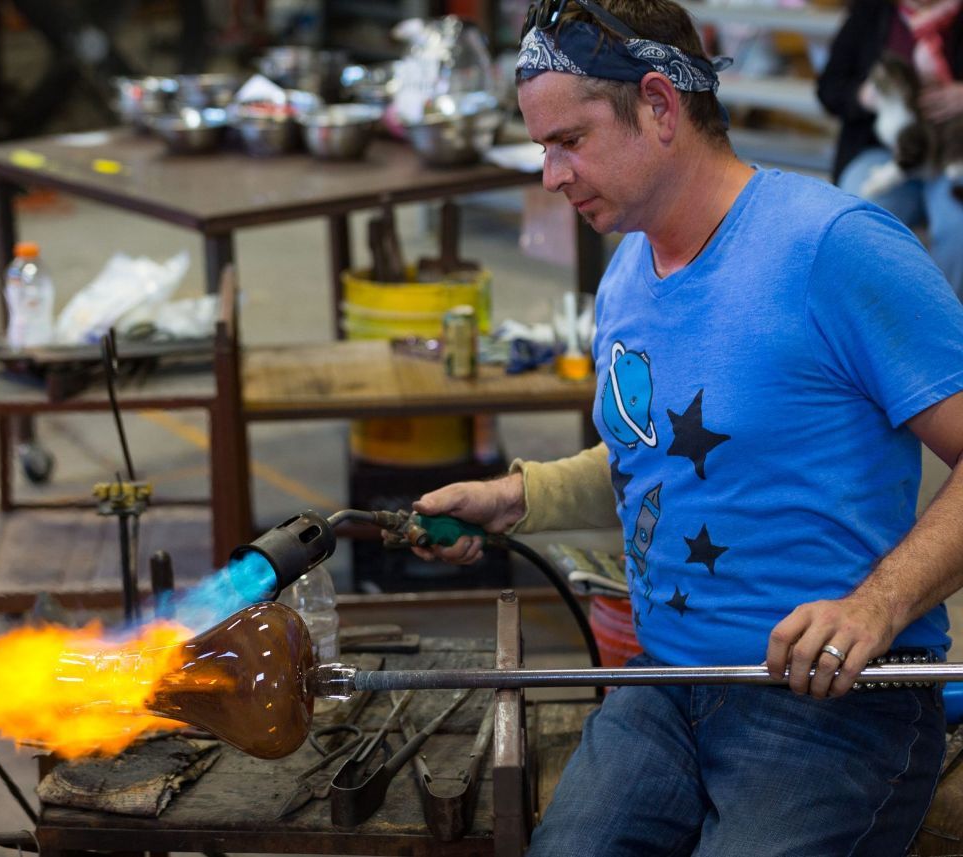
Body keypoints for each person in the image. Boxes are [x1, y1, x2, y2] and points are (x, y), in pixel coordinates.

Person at [411, 0, 963, 853]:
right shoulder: (629, 269)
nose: (551, 174)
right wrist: (516, 497)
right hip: (666, 687)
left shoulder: (833, 248)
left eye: (569, 141)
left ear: (661, 106)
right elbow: (662, 451)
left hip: (834, 707)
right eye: (542, 148)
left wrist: (874, 608)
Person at [817, 0, 963, 298]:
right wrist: (865, 96)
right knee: (859, 212)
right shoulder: (871, 11)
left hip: (953, 151)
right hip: (882, 149)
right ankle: (876, 322)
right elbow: (829, 88)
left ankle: (948, 327)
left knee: (958, 224)